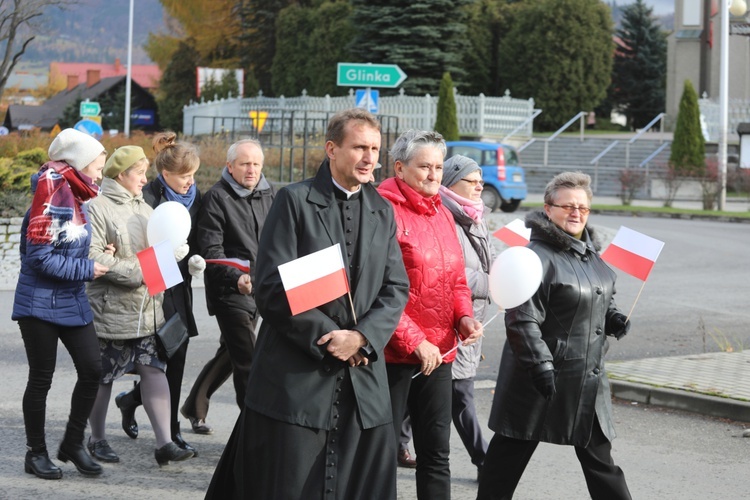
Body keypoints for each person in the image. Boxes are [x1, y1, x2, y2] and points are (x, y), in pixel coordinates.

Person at [205, 108, 410, 499]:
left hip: (361, 375)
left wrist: (362, 337)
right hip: (296, 374)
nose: (370, 158)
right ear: (332, 149)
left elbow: (395, 288)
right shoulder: (294, 201)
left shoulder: (383, 211)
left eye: (375, 149)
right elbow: (271, 286)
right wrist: (331, 337)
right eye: (359, 147)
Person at [477, 171, 632, 500]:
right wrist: (540, 366)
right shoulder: (533, 257)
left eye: (583, 208)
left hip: (586, 380)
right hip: (538, 379)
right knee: (506, 461)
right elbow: (522, 320)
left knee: (601, 464)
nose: (576, 213)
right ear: (548, 209)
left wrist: (614, 316)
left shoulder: (589, 253)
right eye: (568, 206)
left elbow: (601, 294)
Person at [377, 129, 483, 500]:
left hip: (438, 354)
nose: (434, 175)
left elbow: (455, 280)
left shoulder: (442, 212)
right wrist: (414, 340)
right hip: (391, 355)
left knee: (436, 453)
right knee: (381, 454)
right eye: (425, 167)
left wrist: (464, 318)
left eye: (438, 167)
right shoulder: (381, 209)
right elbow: (377, 289)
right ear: (401, 167)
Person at [86, 146, 193, 466]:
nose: (146, 179)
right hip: (110, 310)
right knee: (102, 377)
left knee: (154, 369)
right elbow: (93, 258)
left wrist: (176, 254)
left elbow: (158, 250)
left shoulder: (145, 207)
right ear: (121, 175)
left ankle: (164, 443)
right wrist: (138, 270)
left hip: (147, 309)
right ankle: (96, 439)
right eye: (140, 172)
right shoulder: (97, 207)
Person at [12, 128, 108, 479]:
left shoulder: (76, 196)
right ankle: (35, 453)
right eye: (98, 166)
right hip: (38, 303)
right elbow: (38, 258)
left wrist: (95, 255)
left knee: (93, 369)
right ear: (79, 164)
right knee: (42, 378)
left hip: (69, 298)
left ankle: (72, 442)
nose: (100, 173)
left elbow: (67, 247)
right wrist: (88, 267)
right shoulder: (50, 194)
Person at [113, 132, 204, 457]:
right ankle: (151, 418)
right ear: (166, 174)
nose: (190, 182)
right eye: (184, 177)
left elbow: (199, 236)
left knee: (176, 359)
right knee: (156, 362)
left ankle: (164, 425)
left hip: (182, 289)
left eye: (193, 176)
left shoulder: (195, 197)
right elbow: (141, 246)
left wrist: (196, 258)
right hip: (152, 288)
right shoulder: (148, 198)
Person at [179, 138, 275, 434]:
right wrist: (236, 278)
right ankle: (253, 430)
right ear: (229, 166)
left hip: (260, 289)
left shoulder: (269, 194)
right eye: (245, 163)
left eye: (256, 164)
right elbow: (211, 250)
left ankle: (193, 404)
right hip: (229, 291)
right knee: (248, 357)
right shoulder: (217, 198)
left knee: (231, 353)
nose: (252, 170)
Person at [439, 155, 494, 480]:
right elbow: (451, 273)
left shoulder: (474, 216)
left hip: (471, 319)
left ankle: (397, 445)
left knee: (430, 393)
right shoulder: (447, 216)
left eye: (480, 181)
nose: (479, 186)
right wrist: (494, 282)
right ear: (450, 183)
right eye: (471, 180)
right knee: (461, 396)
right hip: (451, 321)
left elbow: (486, 259)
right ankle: (484, 460)